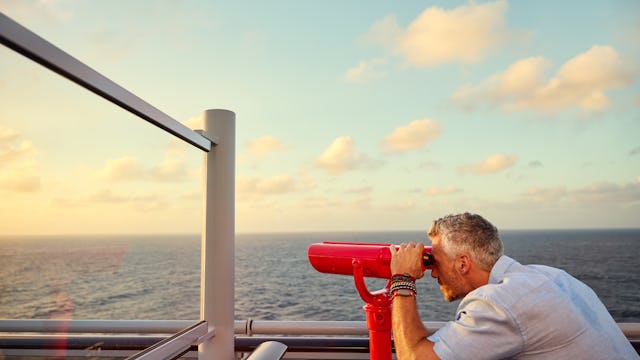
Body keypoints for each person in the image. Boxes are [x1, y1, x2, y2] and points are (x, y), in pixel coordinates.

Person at [389, 212, 638, 359]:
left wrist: (402, 278)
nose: (433, 274)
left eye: (435, 263)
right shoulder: (552, 276)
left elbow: (413, 356)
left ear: (463, 264)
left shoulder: (500, 302)